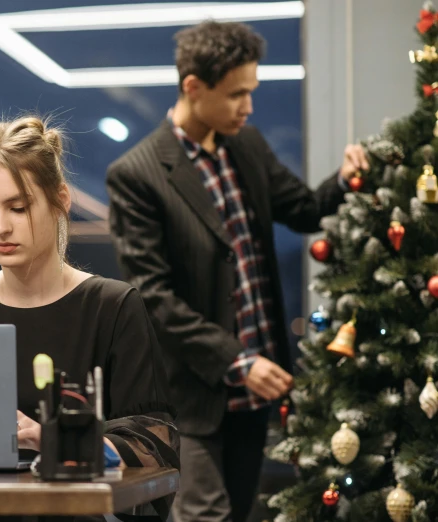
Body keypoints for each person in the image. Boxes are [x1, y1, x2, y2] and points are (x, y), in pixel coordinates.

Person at [105, 21, 369, 522]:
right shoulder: (136, 175)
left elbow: (306, 208)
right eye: (236, 95)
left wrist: (346, 179)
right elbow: (153, 298)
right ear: (193, 87)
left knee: (242, 511)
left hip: (255, 390)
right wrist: (236, 361)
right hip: (194, 395)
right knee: (205, 515)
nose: (248, 107)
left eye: (251, 92)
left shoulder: (246, 145)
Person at [0, 115, 179, 520]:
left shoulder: (112, 307)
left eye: (18, 207)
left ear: (60, 200)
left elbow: (153, 443)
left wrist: (57, 441)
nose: (0, 228)